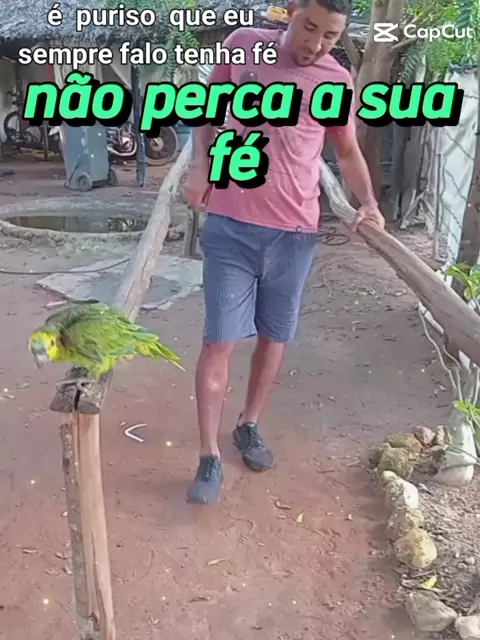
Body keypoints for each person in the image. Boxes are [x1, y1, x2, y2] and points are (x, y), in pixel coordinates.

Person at [184, 0, 385, 504]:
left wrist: (368, 203)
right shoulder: (242, 46)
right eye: (309, 27)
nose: (315, 43)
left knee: (274, 337)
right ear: (291, 12)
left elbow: (347, 151)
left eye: (330, 35)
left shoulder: (335, 80)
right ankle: (209, 455)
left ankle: (248, 425)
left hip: (295, 233)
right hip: (231, 225)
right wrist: (200, 166)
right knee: (220, 341)